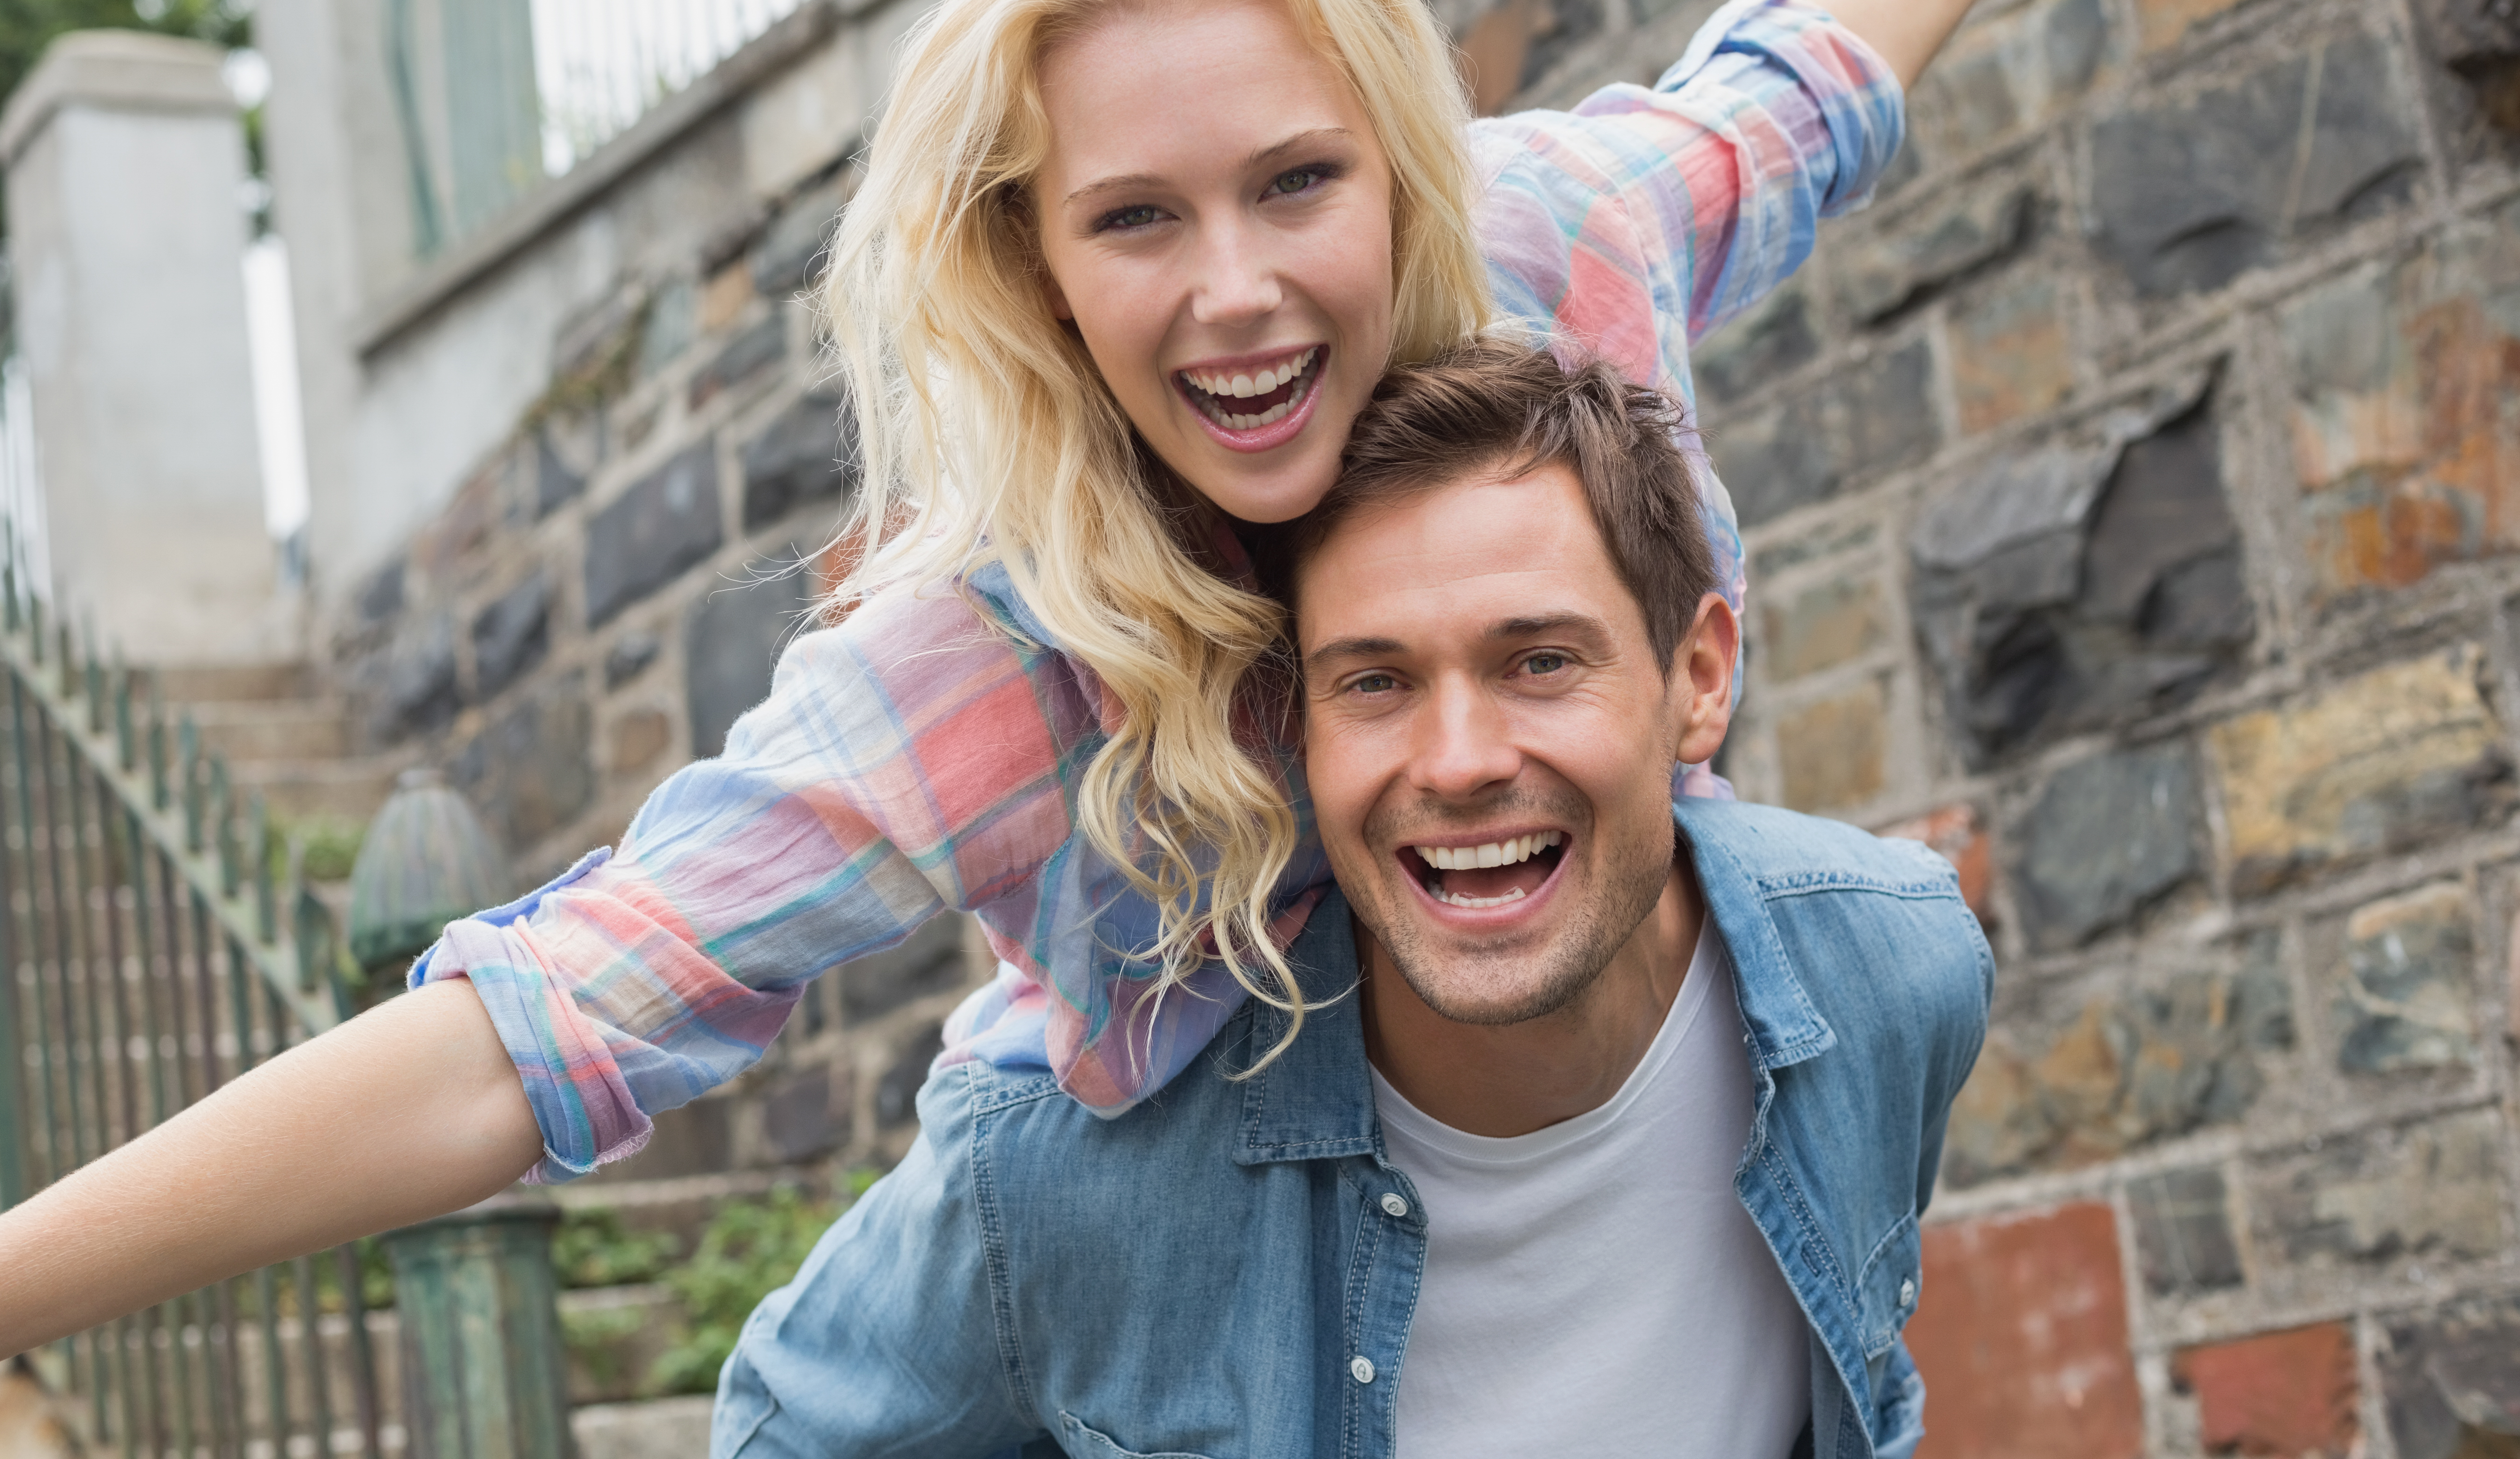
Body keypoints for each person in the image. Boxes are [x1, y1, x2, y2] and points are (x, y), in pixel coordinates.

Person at [0, 0, 2240, 1443]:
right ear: (1038, 262)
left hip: (1564, 1130)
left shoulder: (1557, 252)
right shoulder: (1001, 642)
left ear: (1395, 166)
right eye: (1136, 224)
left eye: (1298, 185)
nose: (1240, 294)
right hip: (1150, 1205)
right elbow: (529, 1037)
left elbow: (1799, 84)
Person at [703, 341, 1990, 1459]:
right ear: (1297, 729)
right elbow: (786, 1427)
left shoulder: (1893, 966)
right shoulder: (1063, 1171)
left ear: (1698, 678)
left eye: (1540, 662)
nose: (1461, 759)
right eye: (1373, 683)